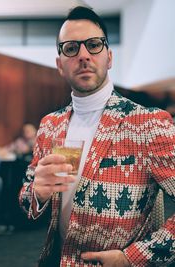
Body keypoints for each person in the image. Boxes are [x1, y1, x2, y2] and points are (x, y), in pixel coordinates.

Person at [19, 6, 175, 267]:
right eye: (70, 48)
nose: (83, 55)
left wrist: (132, 258)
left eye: (93, 45)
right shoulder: (49, 125)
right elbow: (27, 198)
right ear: (59, 64)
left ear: (109, 57)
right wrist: (37, 192)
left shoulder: (148, 124)